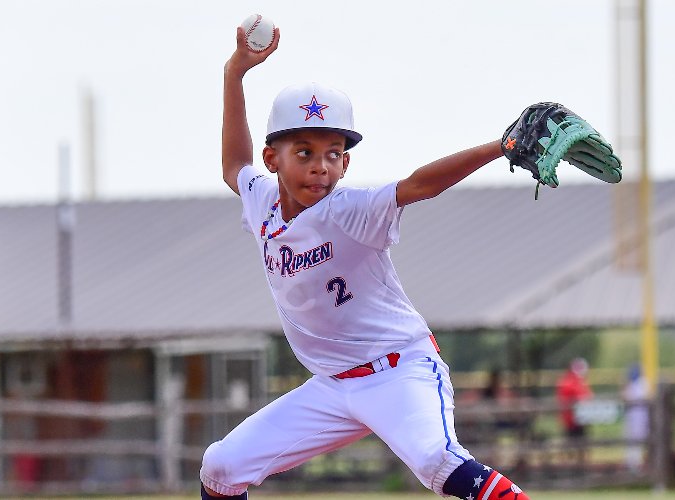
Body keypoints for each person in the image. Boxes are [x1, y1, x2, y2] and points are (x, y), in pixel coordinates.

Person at [199, 25, 532, 500]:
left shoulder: (350, 210)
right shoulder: (261, 202)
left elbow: (419, 185)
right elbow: (234, 165)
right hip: (332, 387)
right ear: (272, 159)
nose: (320, 165)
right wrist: (234, 74)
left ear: (346, 164)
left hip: (398, 371)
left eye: (333, 154)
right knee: (221, 466)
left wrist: (502, 147)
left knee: (436, 461)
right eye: (304, 152)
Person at [556, 358, 593, 469]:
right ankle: (569, 466)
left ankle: (580, 466)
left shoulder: (578, 382)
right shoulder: (569, 382)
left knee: (580, 444)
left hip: (579, 419)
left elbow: (587, 396)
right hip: (571, 420)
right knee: (571, 445)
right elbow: (580, 397)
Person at [621, 365, 649, 473]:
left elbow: (625, 396)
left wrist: (625, 387)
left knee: (634, 444)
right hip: (639, 418)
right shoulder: (643, 384)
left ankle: (635, 467)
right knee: (636, 444)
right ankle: (634, 467)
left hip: (637, 418)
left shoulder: (639, 385)